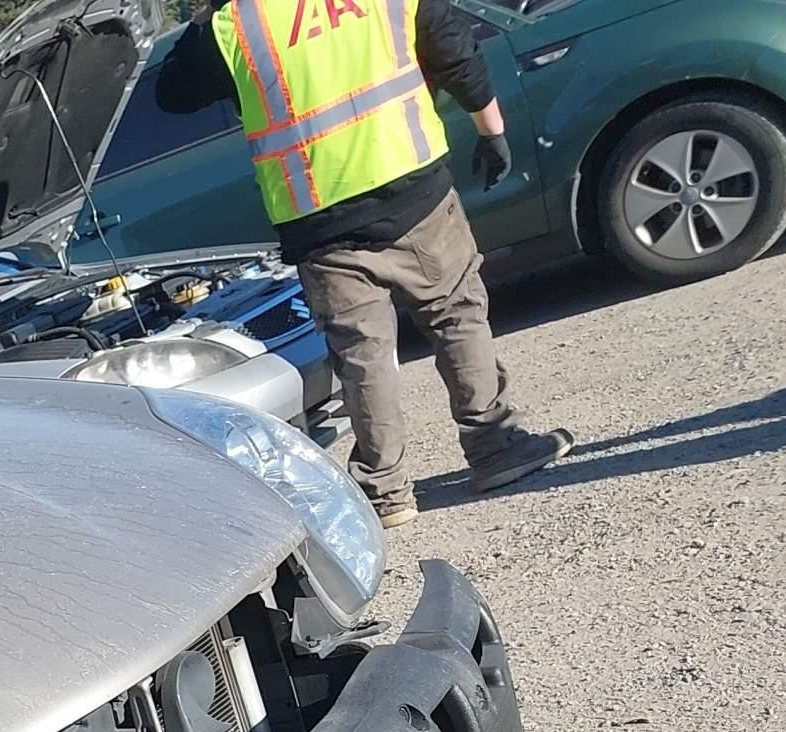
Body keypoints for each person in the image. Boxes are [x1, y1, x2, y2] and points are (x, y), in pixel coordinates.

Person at [157, 0, 572, 526]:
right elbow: (453, 49)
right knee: (455, 316)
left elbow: (171, 93)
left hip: (317, 217)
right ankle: (494, 447)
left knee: (364, 356)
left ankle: (385, 491)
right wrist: (492, 131)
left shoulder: (236, 22)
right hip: (413, 191)